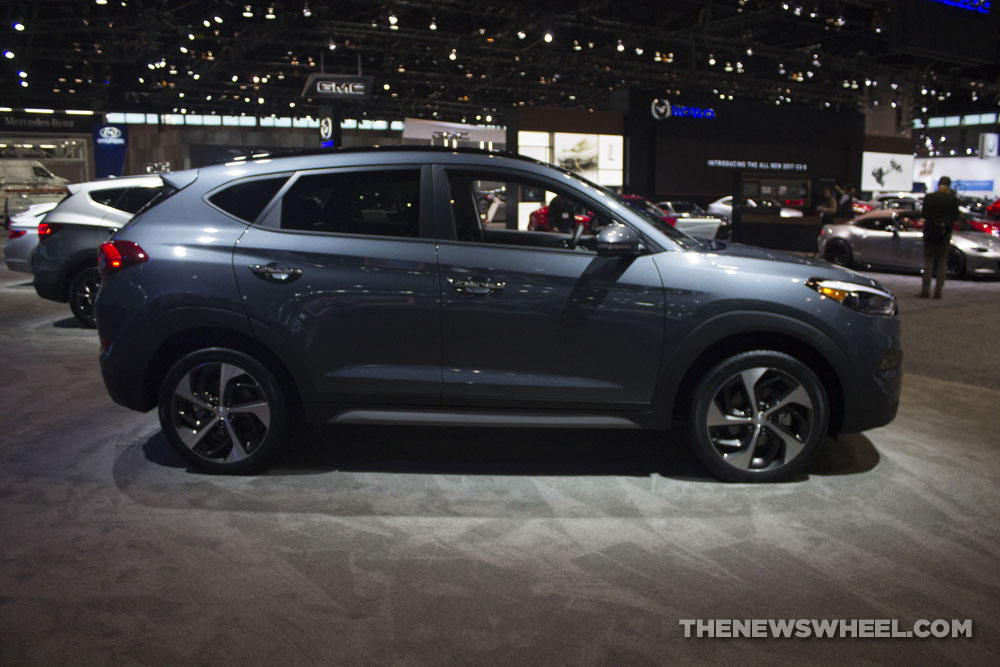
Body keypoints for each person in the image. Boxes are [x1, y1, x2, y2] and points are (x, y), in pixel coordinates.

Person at [918, 176, 959, 299]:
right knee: (942, 260)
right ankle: (938, 291)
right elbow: (955, 217)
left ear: (938, 185)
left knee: (928, 260)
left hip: (930, 232)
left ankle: (925, 290)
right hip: (945, 233)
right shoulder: (953, 199)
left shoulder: (930, 197)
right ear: (949, 185)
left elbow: (924, 214)